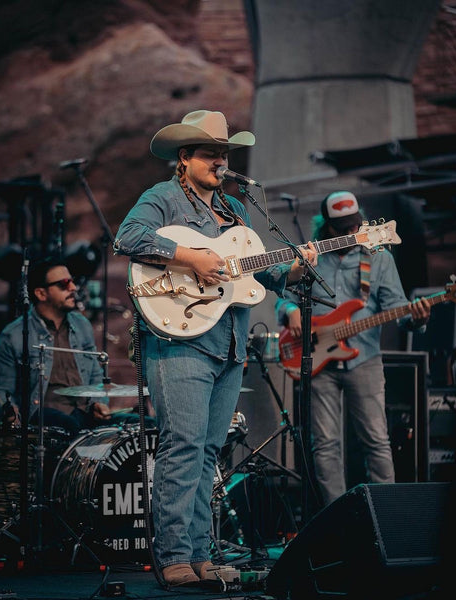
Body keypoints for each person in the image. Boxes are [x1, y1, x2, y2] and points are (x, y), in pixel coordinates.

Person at [113, 109, 318, 587]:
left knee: (209, 452)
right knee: (182, 447)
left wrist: (295, 267)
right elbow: (128, 237)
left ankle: (202, 555)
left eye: (225, 154)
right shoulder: (161, 197)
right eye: (211, 153)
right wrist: (191, 256)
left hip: (230, 345)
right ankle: (172, 557)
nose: (221, 162)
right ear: (184, 158)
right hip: (180, 340)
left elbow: (260, 273)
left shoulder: (237, 211)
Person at [275, 191, 431, 508]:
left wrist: (416, 319)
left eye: (353, 226)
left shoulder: (380, 259)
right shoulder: (311, 258)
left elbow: (398, 311)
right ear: (325, 227)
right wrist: (288, 310)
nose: (349, 234)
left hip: (366, 361)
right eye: (341, 228)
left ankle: (385, 513)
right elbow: (284, 294)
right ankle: (338, 516)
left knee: (376, 440)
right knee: (326, 444)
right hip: (319, 363)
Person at [0, 257, 137, 435]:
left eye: (72, 281)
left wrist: (98, 403)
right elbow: (2, 390)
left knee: (143, 426)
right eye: (64, 284)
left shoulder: (82, 325)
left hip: (84, 414)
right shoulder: (13, 335)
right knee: (69, 425)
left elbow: (96, 376)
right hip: (44, 416)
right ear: (41, 294)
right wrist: (10, 412)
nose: (73, 288)